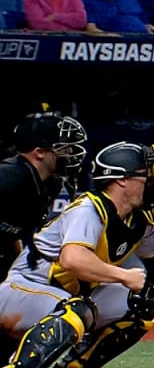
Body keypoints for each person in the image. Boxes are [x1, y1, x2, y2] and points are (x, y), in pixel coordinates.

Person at [0, 141, 154, 368]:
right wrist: (123, 275)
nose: (153, 181)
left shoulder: (138, 219)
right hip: (22, 290)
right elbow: (73, 259)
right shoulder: (89, 208)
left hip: (62, 297)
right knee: (78, 309)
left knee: (144, 301)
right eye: (146, 175)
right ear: (121, 180)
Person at [0, 110, 87, 276]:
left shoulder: (50, 184)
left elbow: (16, 232)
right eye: (62, 149)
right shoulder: (7, 177)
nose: (69, 154)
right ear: (39, 152)